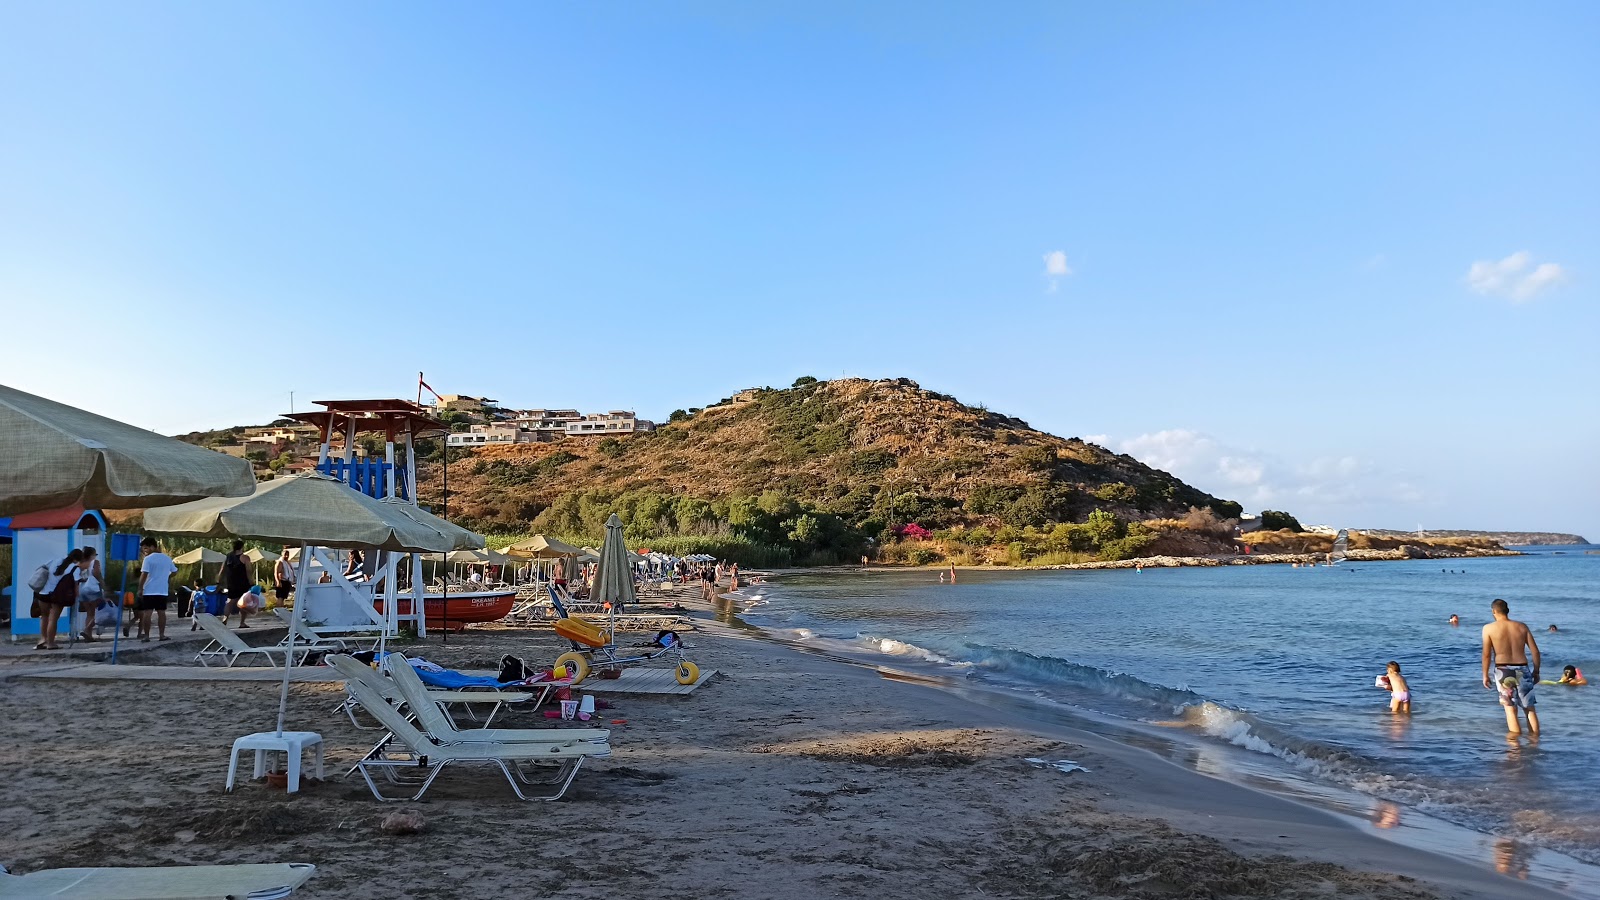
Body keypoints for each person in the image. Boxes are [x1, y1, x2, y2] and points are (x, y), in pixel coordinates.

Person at [1482, 598, 1541, 735]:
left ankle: (1515, 748)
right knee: (1529, 708)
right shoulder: (1522, 627)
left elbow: (1486, 654)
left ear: (1494, 611)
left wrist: (1485, 674)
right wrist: (1536, 671)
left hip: (1503, 670)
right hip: (1522, 668)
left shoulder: (1488, 628)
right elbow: (1535, 651)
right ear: (1507, 611)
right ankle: (1535, 742)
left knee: (1510, 709)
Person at [34, 549, 85, 650]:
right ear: (78, 559)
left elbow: (41, 569)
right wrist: (76, 598)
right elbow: (76, 586)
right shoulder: (75, 568)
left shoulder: (54, 560)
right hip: (57, 596)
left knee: (44, 617)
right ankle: (51, 643)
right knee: (53, 619)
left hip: (43, 593)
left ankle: (43, 639)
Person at [137, 538, 177, 641]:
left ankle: (146, 636)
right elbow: (174, 571)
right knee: (161, 613)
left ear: (152, 547)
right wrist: (166, 576)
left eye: (146, 549)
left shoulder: (148, 559)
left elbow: (144, 574)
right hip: (162, 590)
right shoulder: (167, 558)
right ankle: (162, 635)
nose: (144, 551)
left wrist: (140, 588)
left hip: (149, 589)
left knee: (147, 613)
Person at [220, 540, 252, 627]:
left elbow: (222, 570)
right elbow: (248, 571)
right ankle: (242, 622)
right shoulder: (245, 557)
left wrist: (219, 580)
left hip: (231, 582)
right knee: (244, 602)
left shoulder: (228, 556)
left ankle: (225, 618)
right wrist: (251, 582)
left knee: (230, 601)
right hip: (242, 582)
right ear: (242, 547)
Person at [75, 547, 105, 642]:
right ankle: (86, 629)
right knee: (95, 612)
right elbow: (96, 573)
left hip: (82, 589)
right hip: (93, 589)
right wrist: (103, 584)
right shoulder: (95, 562)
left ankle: (89, 635)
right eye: (95, 554)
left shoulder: (80, 563)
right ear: (92, 555)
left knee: (89, 613)